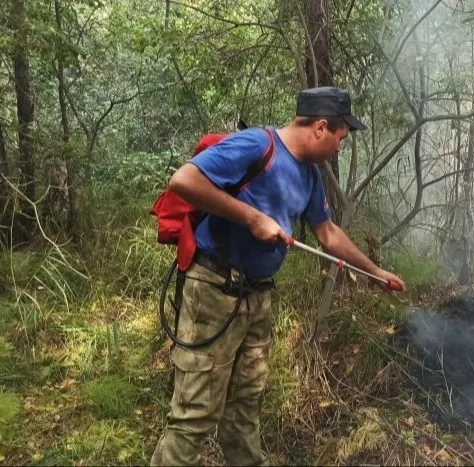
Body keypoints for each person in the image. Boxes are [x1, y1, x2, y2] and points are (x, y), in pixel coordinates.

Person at [150, 86, 406, 466]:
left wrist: (374, 271)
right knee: (196, 414)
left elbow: (328, 234)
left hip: (257, 298)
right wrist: (252, 218)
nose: (340, 147)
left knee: (244, 407)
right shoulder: (257, 145)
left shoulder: (310, 176)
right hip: (215, 290)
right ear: (321, 127)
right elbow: (183, 181)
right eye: (341, 137)